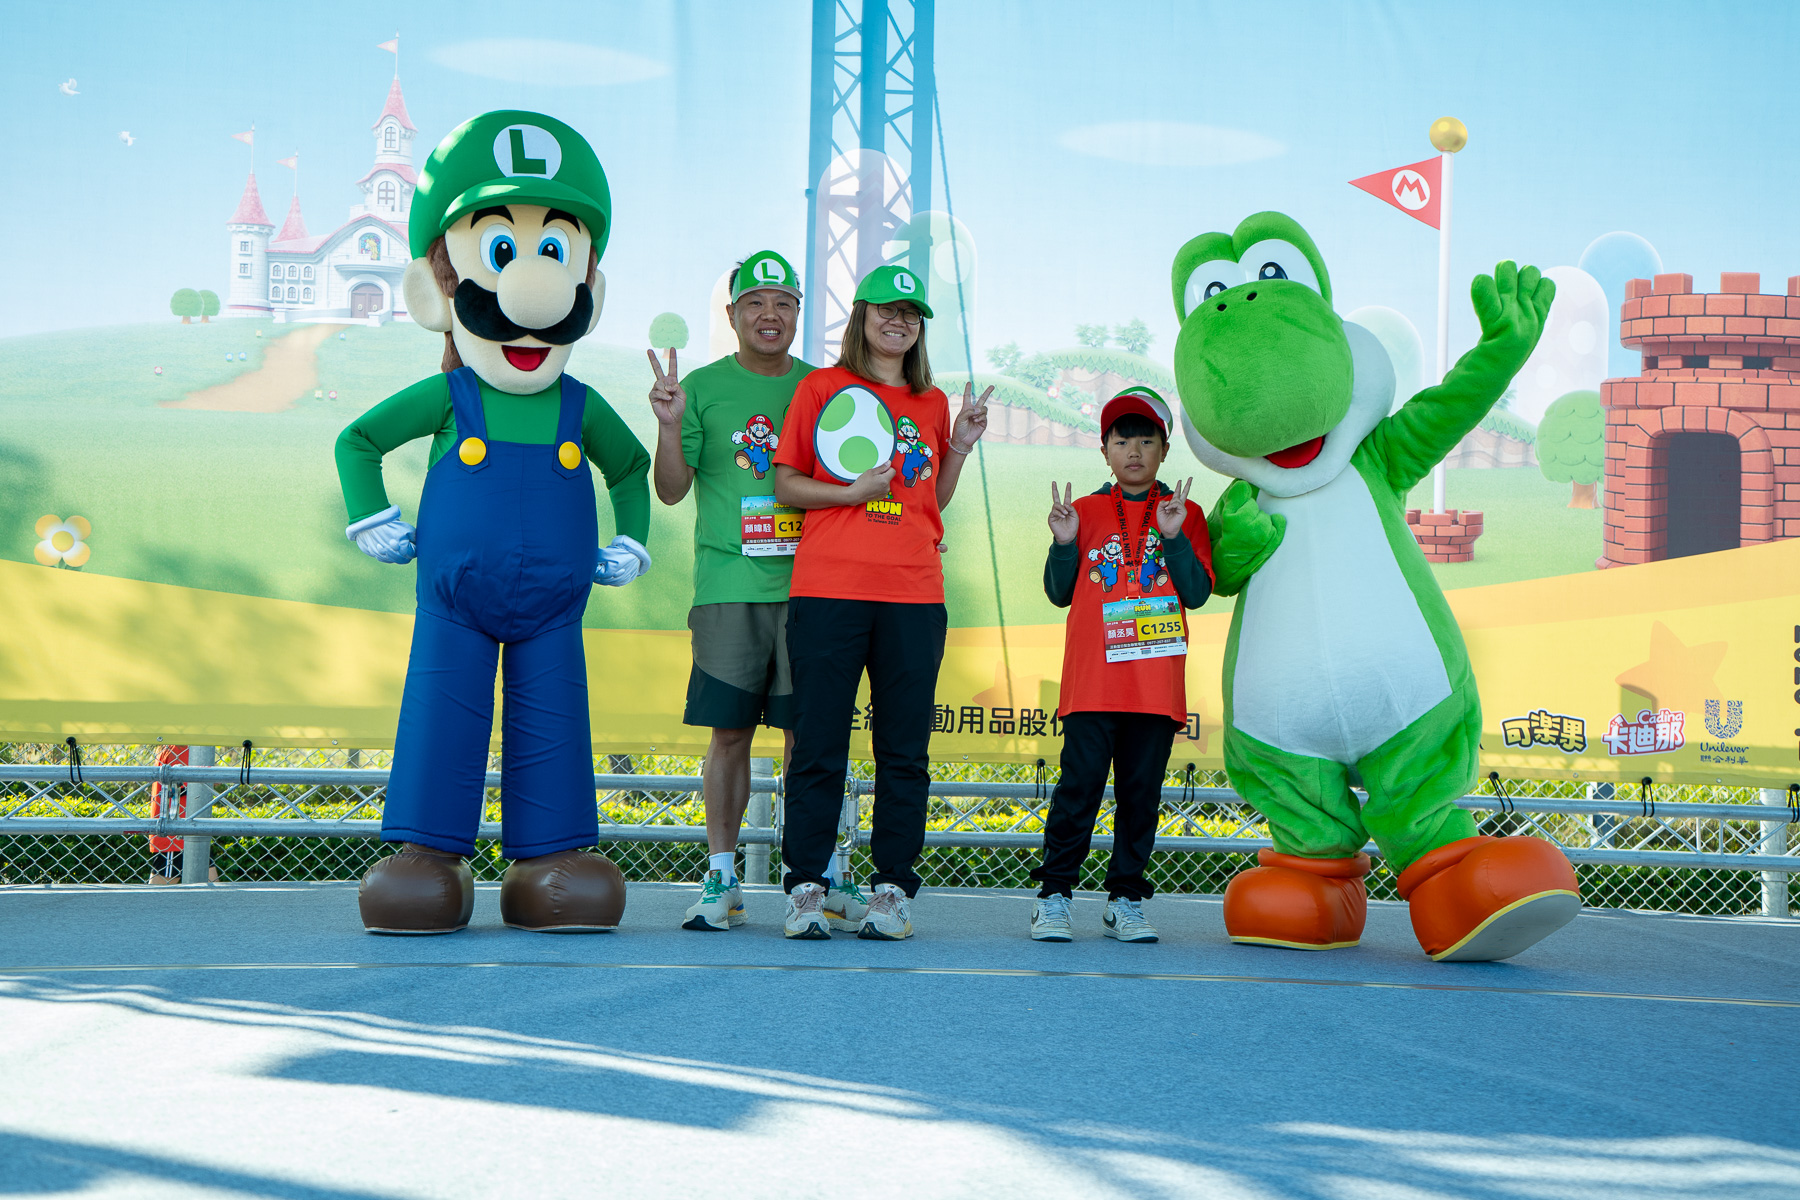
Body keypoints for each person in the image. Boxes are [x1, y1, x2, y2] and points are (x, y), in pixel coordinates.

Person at [335, 110, 648, 934]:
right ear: (436, 291)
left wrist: (632, 538)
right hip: (455, 603)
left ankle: (552, 859)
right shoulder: (450, 397)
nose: (533, 294)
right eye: (501, 251)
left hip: (555, 607)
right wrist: (369, 516)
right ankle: (426, 855)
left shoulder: (581, 405)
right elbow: (358, 440)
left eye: (556, 254)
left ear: (588, 292)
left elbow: (630, 468)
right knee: (442, 714)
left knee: (554, 721)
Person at [647, 251, 868, 933]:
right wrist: (668, 424)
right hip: (728, 587)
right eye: (755, 303)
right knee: (731, 733)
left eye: (783, 303)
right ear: (733, 314)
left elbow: (858, 478)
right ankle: (723, 878)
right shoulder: (702, 388)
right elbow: (671, 489)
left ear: (798, 313)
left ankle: (818, 876)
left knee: (811, 739)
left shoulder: (826, 388)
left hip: (815, 589)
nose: (769, 315)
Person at [771, 264, 991, 940]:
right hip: (828, 590)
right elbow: (786, 484)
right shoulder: (820, 387)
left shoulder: (932, 402)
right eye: (886, 310)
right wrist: (849, 495)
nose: (899, 321)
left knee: (903, 749)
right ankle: (806, 888)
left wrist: (959, 446)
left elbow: (931, 499)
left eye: (911, 313)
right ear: (861, 316)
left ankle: (891, 890)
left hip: (913, 595)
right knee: (818, 745)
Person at [1029, 388, 1213, 943]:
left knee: (1141, 796)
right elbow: (1058, 592)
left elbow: (1197, 592)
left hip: (1155, 687)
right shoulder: (1083, 512)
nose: (1134, 450)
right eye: (1122, 440)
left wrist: (1173, 536)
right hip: (1093, 684)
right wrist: (1065, 543)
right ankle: (1054, 897)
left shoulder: (1185, 513)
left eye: (1146, 440)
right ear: (1105, 450)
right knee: (1078, 790)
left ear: (1164, 450)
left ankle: (1125, 900)